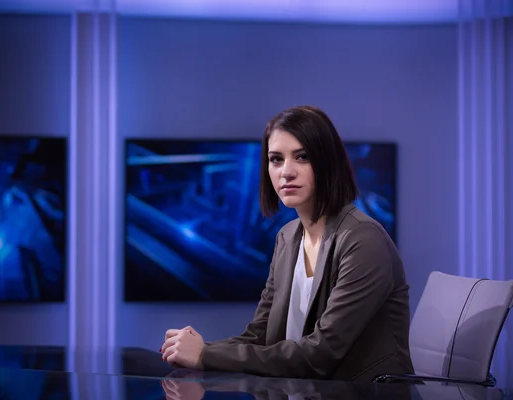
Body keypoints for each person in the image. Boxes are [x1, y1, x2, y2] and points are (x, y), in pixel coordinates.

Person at [159, 105, 414, 382]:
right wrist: (201, 350)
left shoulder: (364, 240)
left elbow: (321, 354)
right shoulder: (287, 236)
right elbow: (259, 335)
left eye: (302, 157)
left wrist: (205, 356)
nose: (286, 172)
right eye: (276, 159)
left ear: (328, 162)